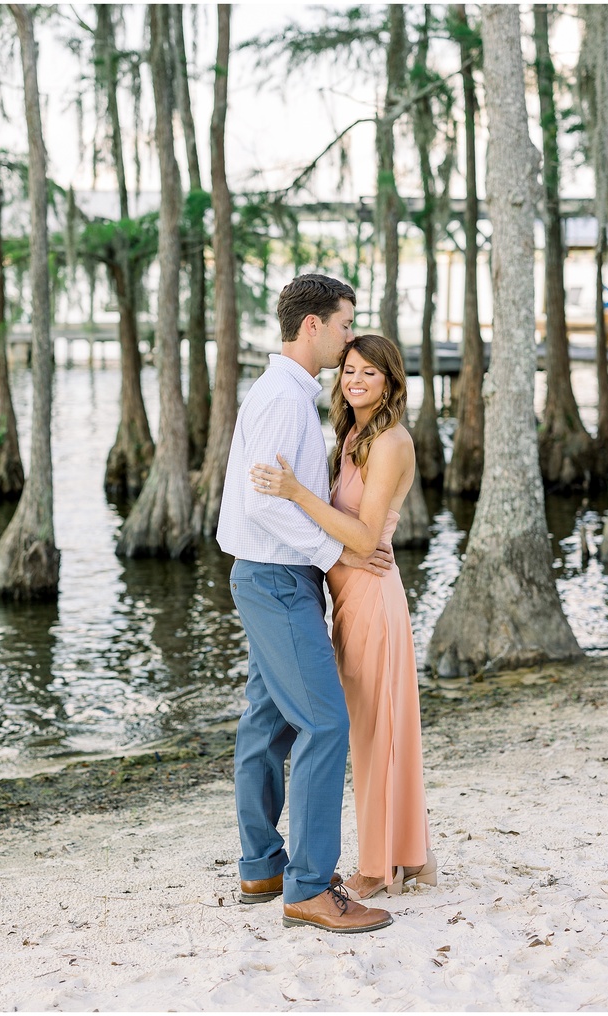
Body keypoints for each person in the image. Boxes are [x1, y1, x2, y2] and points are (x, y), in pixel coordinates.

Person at [216, 275, 394, 934]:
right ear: (313, 325)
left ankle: (263, 865)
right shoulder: (283, 401)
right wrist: (336, 555)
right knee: (325, 724)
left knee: (267, 725)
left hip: (271, 578)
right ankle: (310, 888)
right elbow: (266, 502)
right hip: (277, 579)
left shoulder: (287, 393)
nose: (351, 336)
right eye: (346, 324)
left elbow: (275, 495)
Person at [250, 333, 436, 901]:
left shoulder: (390, 444)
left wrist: (295, 492)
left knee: (376, 734)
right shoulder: (354, 435)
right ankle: (405, 855)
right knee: (366, 732)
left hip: (374, 599)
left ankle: (380, 869)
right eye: (349, 370)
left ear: (390, 383)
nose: (355, 381)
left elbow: (360, 531)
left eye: (369, 374)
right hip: (349, 597)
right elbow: (349, 530)